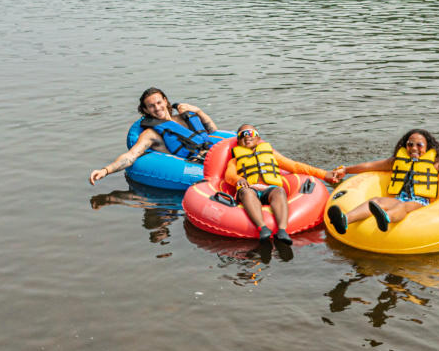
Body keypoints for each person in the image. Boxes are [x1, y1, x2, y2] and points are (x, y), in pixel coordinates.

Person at [326, 128, 439, 234]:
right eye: (409, 144)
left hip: (420, 202)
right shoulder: (396, 162)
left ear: (427, 147)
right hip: (398, 197)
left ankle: (386, 219)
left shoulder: (438, 163)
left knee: (403, 208)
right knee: (375, 201)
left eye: (419, 145)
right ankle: (344, 220)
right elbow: (369, 166)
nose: (413, 147)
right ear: (404, 146)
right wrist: (346, 169)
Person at [225, 124, 343, 244]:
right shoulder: (235, 160)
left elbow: (295, 166)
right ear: (238, 141)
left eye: (250, 133)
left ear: (258, 138)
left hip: (269, 189)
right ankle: (262, 228)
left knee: (279, 191)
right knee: (246, 192)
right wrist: (237, 179)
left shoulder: (271, 155)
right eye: (242, 135)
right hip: (249, 189)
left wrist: (324, 174)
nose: (247, 137)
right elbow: (228, 176)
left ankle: (282, 230)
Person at [89, 87, 219, 185]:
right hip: (199, 165)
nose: (157, 108)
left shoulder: (183, 118)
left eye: (159, 103)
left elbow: (213, 131)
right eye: (151, 106)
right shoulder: (151, 134)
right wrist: (105, 171)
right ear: (145, 110)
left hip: (215, 154)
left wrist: (198, 111)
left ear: (165, 101)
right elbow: (130, 156)